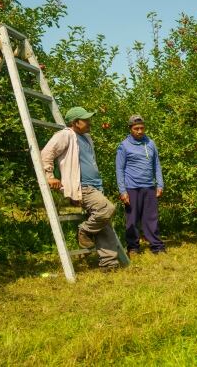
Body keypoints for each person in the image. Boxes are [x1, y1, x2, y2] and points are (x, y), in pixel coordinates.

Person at [41, 106, 120, 271]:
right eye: (86, 120)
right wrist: (49, 176)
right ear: (76, 122)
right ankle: (84, 230)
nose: (90, 122)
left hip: (95, 185)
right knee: (106, 209)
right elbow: (47, 153)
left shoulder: (87, 138)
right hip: (81, 186)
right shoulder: (65, 135)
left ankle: (109, 263)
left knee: (104, 223)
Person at [116, 115, 166, 256]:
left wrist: (160, 185)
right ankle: (133, 248)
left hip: (149, 186)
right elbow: (119, 169)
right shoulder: (123, 146)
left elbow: (156, 165)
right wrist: (122, 191)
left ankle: (156, 246)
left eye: (142, 128)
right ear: (130, 129)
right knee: (132, 220)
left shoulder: (150, 143)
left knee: (151, 218)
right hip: (131, 188)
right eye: (136, 128)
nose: (139, 131)